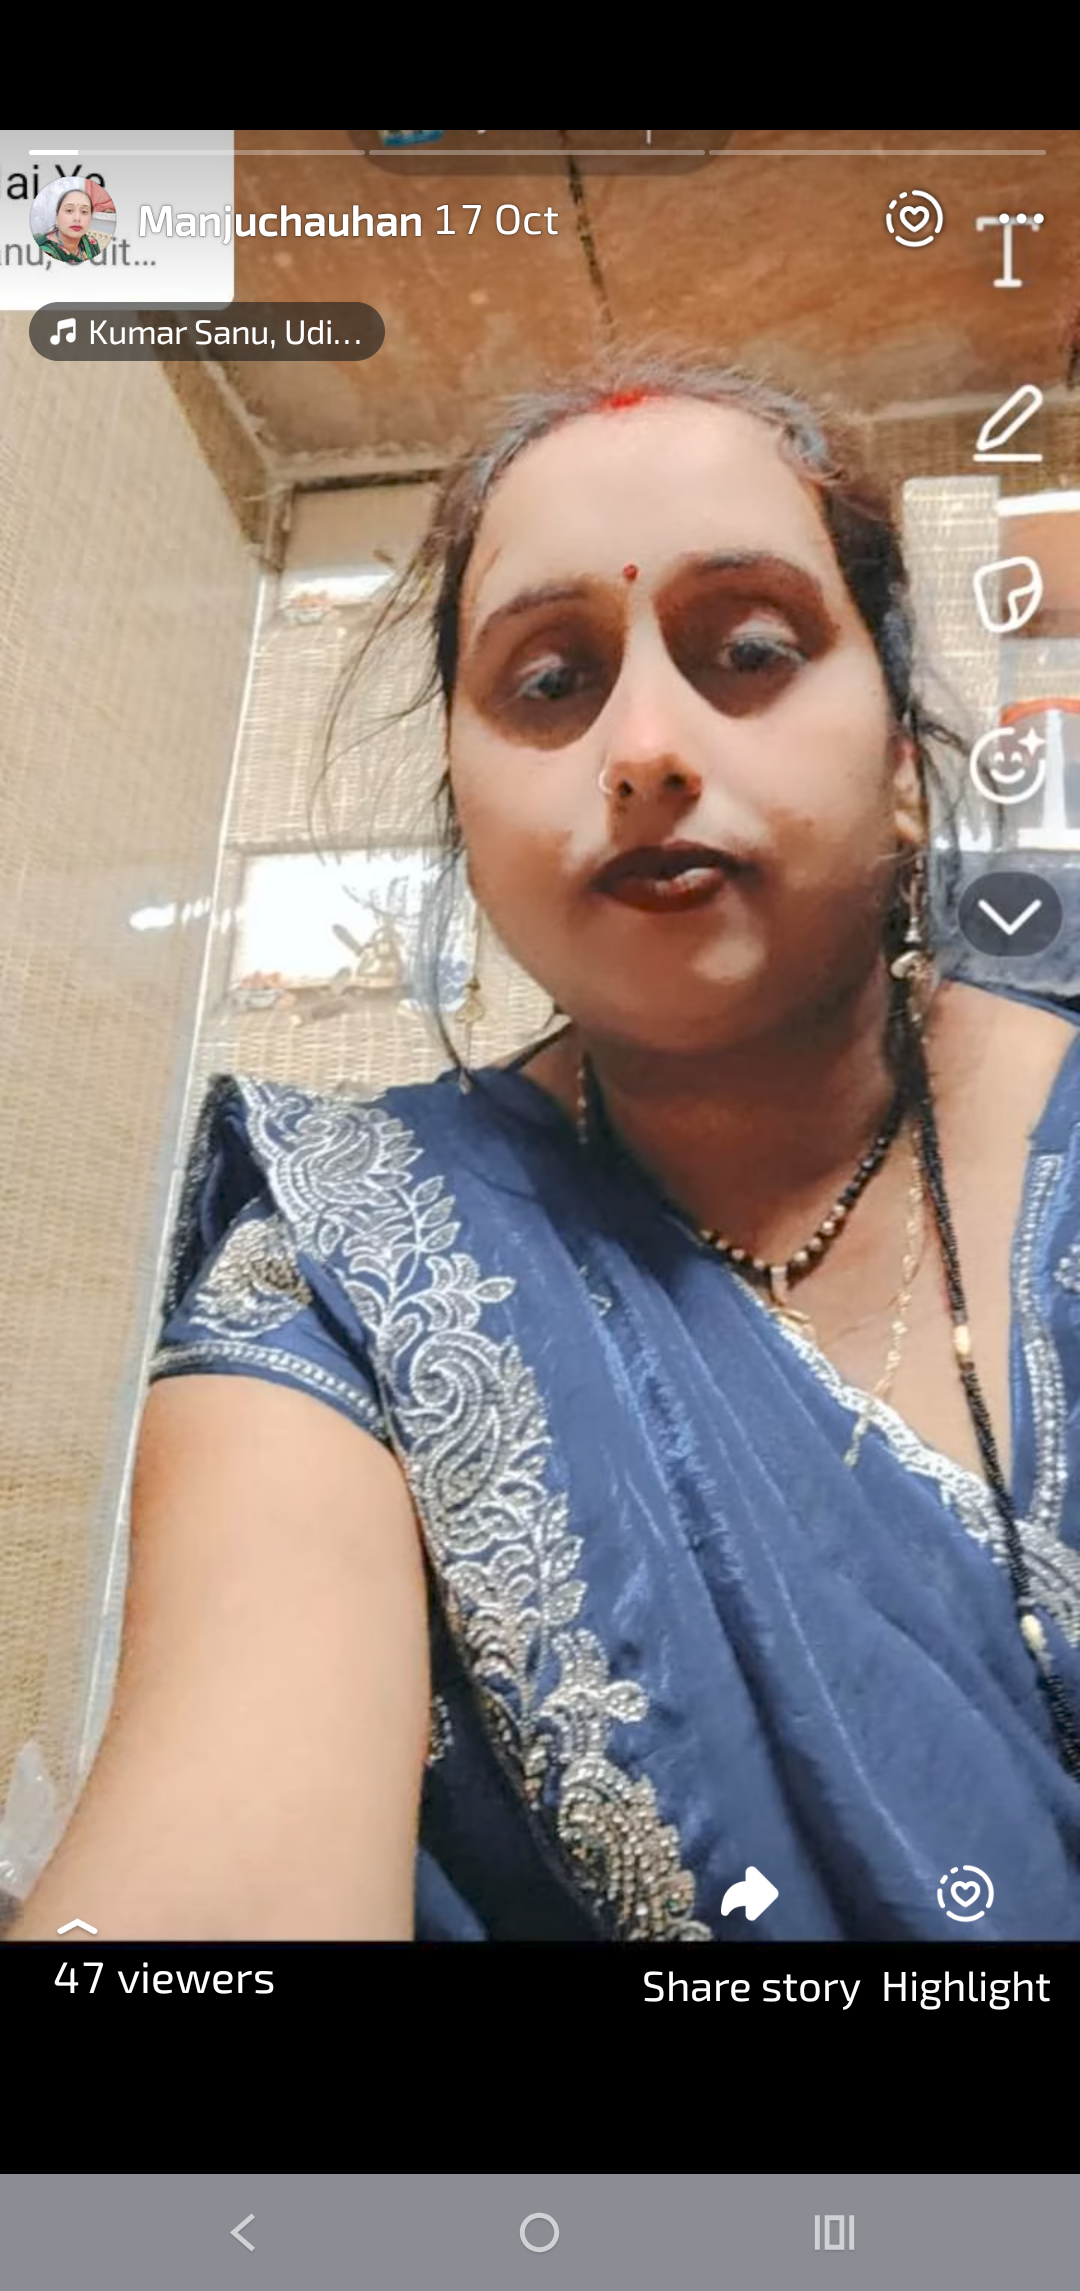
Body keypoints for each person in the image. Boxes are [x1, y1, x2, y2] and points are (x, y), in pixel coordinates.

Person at [9, 355, 1080, 1944]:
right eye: (552, 682)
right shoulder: (346, 1262)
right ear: (467, 814)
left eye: (751, 650)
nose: (644, 746)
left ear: (907, 764)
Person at [32, 179, 111, 263]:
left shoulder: (92, 244)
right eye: (69, 210)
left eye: (84, 212)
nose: (77, 218)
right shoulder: (43, 251)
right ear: (56, 218)